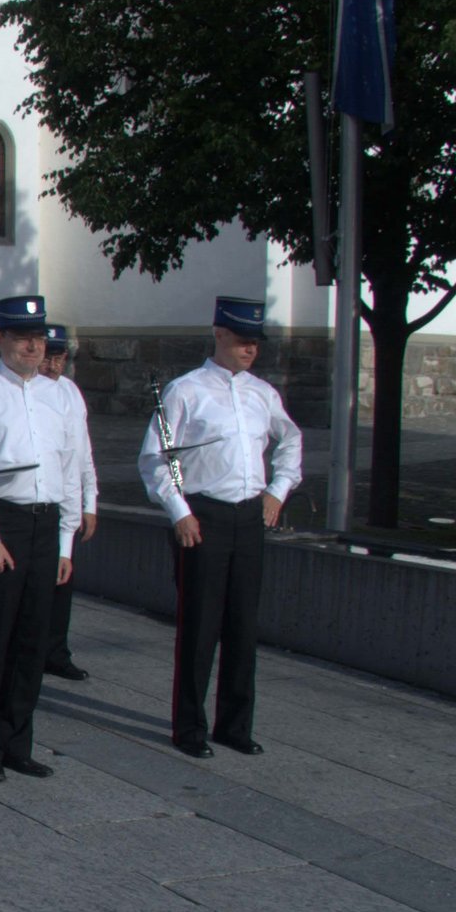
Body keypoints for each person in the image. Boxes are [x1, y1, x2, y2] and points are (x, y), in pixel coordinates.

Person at [140, 297, 303, 759]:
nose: (250, 349)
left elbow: (291, 440)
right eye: (241, 340)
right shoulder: (185, 391)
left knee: (242, 626)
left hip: (249, 516)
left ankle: (235, 725)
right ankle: (189, 726)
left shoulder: (262, 393)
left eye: (255, 342)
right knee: (199, 626)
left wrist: (278, 490)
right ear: (219, 335)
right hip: (203, 515)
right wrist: (179, 511)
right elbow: (154, 459)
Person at [0, 294, 80, 783]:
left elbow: (68, 468)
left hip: (46, 524)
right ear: (0, 338)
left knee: (32, 641)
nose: (33, 347)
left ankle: (17, 742)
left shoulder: (58, 395)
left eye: (38, 338)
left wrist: (65, 541)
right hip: (2, 520)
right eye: (22, 338)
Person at [40, 323, 99, 681]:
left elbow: (83, 451)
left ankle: (56, 651)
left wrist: (90, 501)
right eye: (48, 357)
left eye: (59, 357)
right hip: (39, 499)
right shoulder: (31, 392)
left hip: (69, 498)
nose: (53, 365)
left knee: (63, 580)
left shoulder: (70, 392)